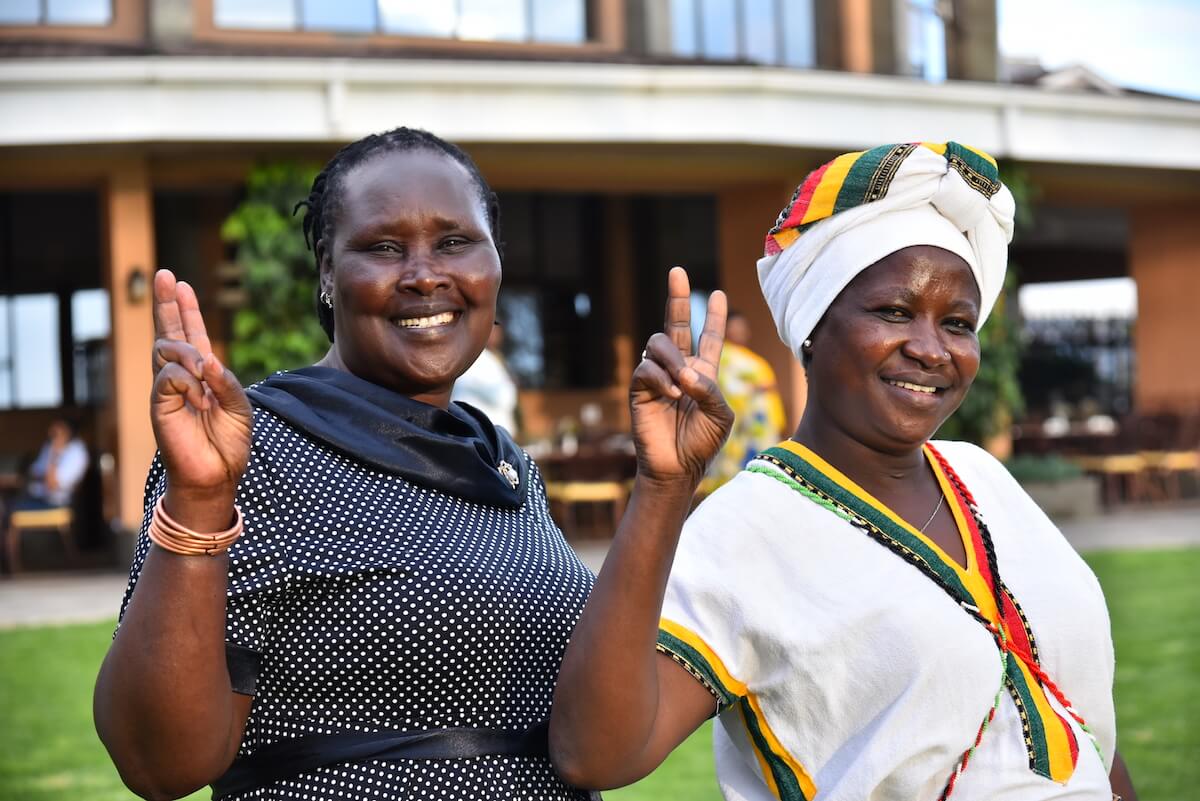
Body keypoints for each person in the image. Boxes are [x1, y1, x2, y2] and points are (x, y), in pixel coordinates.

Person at [94, 127, 706, 801]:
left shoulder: (505, 465)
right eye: (383, 247)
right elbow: (159, 763)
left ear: (495, 262)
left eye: (454, 241)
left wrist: (663, 485)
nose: (424, 274)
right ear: (327, 273)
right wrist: (200, 498)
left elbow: (596, 743)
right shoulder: (252, 447)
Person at [549, 142, 1138, 801]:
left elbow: (1076, 729)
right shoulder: (749, 528)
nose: (930, 348)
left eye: (958, 323)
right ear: (811, 326)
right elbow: (593, 753)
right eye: (893, 311)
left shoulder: (985, 479)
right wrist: (662, 488)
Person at [700, 311, 787, 493]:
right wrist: (755, 389)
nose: (740, 331)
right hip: (739, 431)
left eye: (742, 327)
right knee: (733, 477)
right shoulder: (722, 359)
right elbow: (727, 388)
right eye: (735, 326)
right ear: (725, 330)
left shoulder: (751, 358)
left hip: (758, 427)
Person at [452, 322, 519, 436]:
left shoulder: (491, 357)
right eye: (492, 328)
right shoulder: (478, 358)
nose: (496, 334)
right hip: (484, 435)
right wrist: (509, 385)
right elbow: (502, 397)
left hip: (485, 435)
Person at [15, 418, 89, 511]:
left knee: (12, 509)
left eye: (55, 433)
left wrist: (55, 455)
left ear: (67, 433)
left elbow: (52, 484)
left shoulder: (76, 452)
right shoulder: (49, 446)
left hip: (56, 503)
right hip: (36, 497)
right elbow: (34, 472)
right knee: (9, 503)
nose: (51, 435)